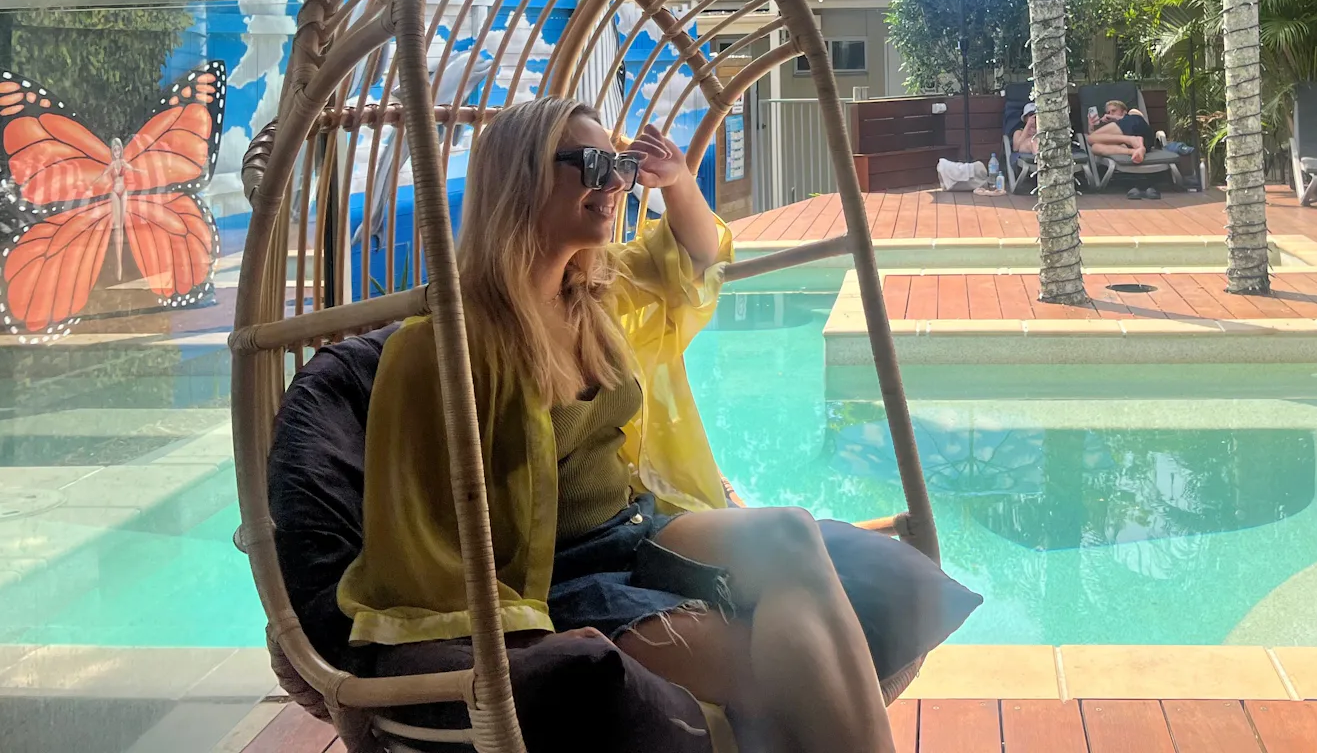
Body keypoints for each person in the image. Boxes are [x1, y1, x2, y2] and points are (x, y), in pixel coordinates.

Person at [339, 97, 899, 753]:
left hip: (638, 531)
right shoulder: (439, 350)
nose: (614, 183)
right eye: (594, 163)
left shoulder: (596, 297)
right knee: (780, 673)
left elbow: (696, 254)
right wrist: (527, 642)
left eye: (619, 165)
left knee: (789, 531)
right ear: (523, 176)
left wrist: (680, 182)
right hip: (557, 579)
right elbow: (418, 543)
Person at [1086, 98, 1151, 164]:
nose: (1110, 114)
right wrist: (1091, 126)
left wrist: (1113, 117)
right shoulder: (1113, 131)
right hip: (1143, 145)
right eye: (1108, 112)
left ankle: (1131, 139)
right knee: (1095, 147)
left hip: (1144, 136)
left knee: (1090, 138)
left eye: (1114, 111)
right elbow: (1094, 139)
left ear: (1124, 112)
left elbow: (1138, 119)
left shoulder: (1132, 113)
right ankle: (1134, 151)